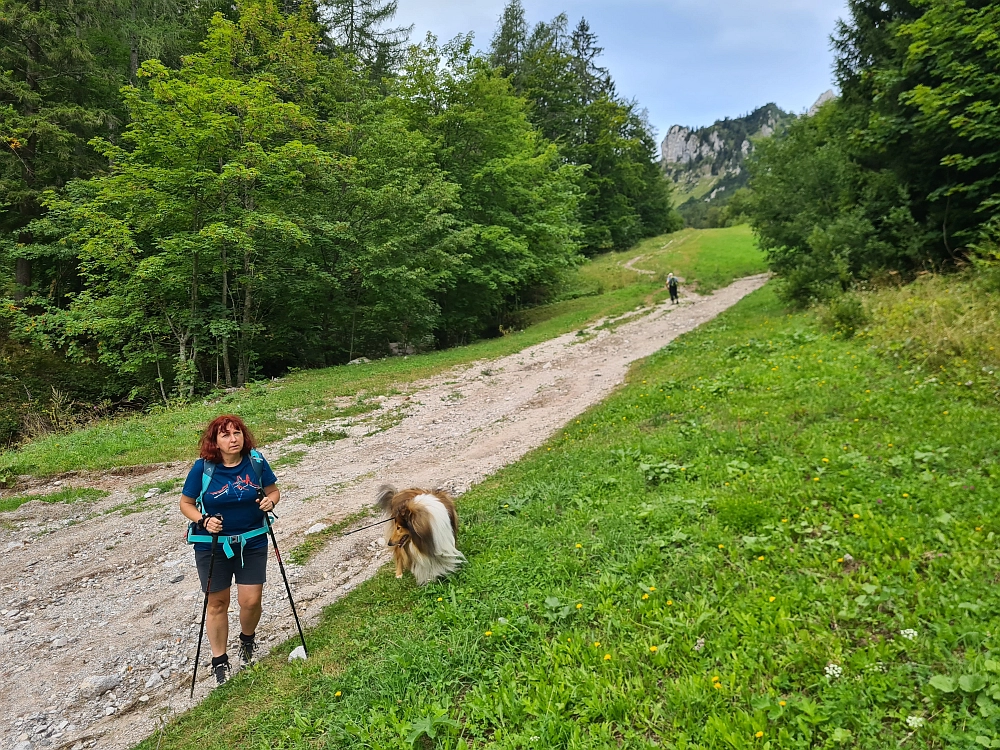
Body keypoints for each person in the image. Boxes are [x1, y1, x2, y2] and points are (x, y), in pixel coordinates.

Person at [179, 414, 279, 685]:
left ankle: (247, 639)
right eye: (225, 435)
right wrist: (203, 520)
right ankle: (219, 660)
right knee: (217, 603)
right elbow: (186, 503)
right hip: (212, 545)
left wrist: (270, 502)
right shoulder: (203, 468)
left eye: (237, 433)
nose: (233, 439)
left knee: (251, 601)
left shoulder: (255, 461)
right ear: (215, 441)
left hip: (253, 539)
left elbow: (273, 491)